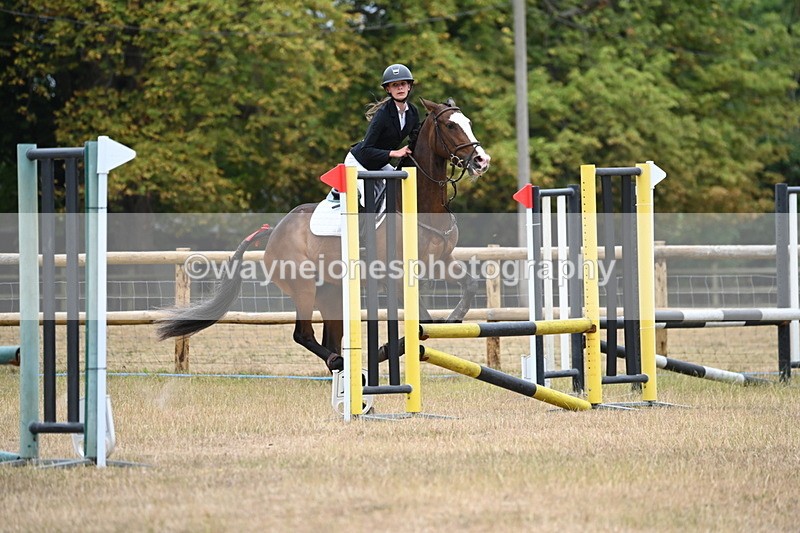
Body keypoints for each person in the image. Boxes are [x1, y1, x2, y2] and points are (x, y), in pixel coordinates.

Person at [329, 63, 420, 208]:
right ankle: (364, 230)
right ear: (388, 89)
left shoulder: (413, 112)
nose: (400, 88)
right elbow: (366, 149)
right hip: (359, 163)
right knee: (369, 198)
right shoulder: (383, 114)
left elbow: (416, 140)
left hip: (379, 164)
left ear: (409, 86)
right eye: (395, 85)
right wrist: (395, 153)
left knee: (401, 186)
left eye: (403, 84)